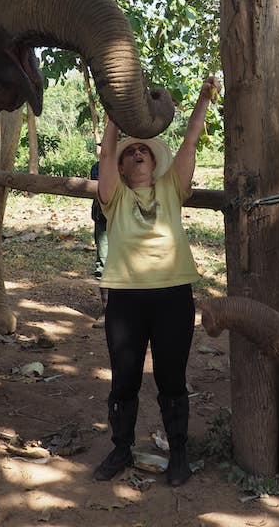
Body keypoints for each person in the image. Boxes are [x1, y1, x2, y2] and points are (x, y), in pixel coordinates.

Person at [92, 75, 221, 486]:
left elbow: (189, 144)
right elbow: (107, 154)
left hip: (172, 297)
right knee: (124, 378)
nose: (140, 154)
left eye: (146, 150)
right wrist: (114, 119)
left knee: (171, 377)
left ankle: (179, 453)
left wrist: (202, 99)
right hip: (126, 300)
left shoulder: (171, 189)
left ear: (155, 161)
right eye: (132, 154)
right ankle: (121, 448)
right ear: (124, 168)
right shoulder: (114, 197)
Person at [89, 157, 108, 325]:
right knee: (103, 262)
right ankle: (107, 309)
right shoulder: (98, 167)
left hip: (130, 220)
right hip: (104, 219)